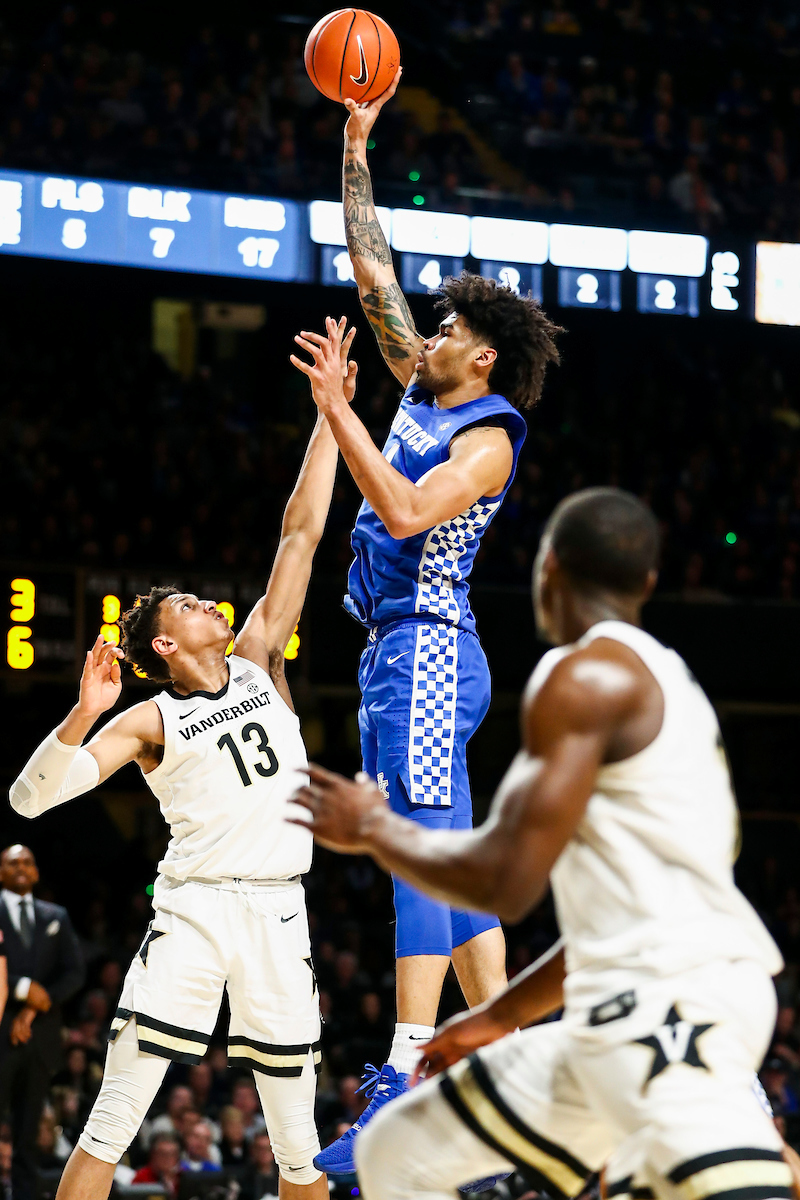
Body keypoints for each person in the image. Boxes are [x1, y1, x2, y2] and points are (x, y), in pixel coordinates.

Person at [292, 486, 792, 1200]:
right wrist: (494, 1017)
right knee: (400, 1154)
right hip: (615, 1002)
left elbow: (507, 880)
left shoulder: (583, 676)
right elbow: (603, 928)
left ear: (546, 568)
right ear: (648, 584)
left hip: (682, 998)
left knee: (732, 1185)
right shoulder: (669, 681)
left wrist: (376, 829)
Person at [8, 318, 358, 1200]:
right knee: (112, 1120)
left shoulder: (258, 657)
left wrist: (330, 415)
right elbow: (27, 803)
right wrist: (85, 715)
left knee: (299, 1151)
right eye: (193, 606)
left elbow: (301, 535)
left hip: (280, 915)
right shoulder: (150, 720)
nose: (212, 603)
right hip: (195, 914)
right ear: (163, 646)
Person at [300, 66, 563, 1178]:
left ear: (482, 355)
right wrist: (356, 148)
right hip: (394, 652)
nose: (433, 330)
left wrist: (333, 414)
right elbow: (372, 267)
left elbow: (402, 509)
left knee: (411, 851)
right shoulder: (420, 380)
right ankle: (520, 1065)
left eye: (450, 326)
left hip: (430, 644)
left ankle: (404, 1071)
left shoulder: (487, 440)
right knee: (445, 868)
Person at [0, 845, 84, 1200]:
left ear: (36, 871)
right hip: (2, 1034)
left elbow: (75, 972)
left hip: (38, 1040)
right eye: (13, 862)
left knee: (29, 1137)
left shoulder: (56, 915)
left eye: (27, 862)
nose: (21, 867)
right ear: (1, 871)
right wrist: (21, 988)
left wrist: (34, 1007)